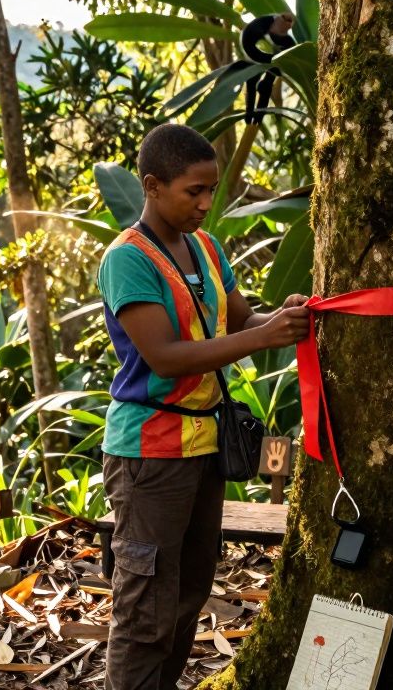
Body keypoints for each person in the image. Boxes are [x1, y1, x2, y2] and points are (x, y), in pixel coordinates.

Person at [98, 123, 309, 689]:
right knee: (145, 608)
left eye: (211, 190)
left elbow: (241, 322)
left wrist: (284, 318)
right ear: (151, 185)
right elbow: (166, 356)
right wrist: (263, 339)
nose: (205, 204)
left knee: (188, 593)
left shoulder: (207, 249)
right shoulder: (127, 259)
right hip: (150, 453)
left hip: (205, 445)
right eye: (193, 191)